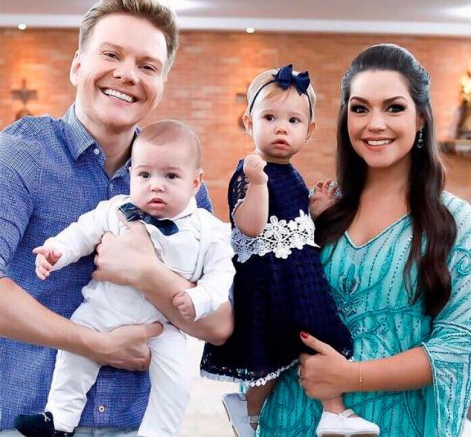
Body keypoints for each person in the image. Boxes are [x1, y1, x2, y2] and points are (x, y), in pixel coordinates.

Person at [0, 0, 232, 436]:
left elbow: (220, 324)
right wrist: (95, 344)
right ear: (77, 65)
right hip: (22, 422)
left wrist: (146, 272)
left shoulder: (180, 184)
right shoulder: (21, 154)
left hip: (132, 427)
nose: (127, 74)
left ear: (161, 84)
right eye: (111, 55)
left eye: (147, 66)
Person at [259, 44, 471, 437]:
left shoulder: (456, 222)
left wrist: (350, 376)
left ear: (421, 118)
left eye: (394, 108)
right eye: (360, 108)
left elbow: (459, 345)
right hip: (291, 417)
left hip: (394, 424)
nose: (375, 123)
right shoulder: (319, 206)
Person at [14, 120, 235, 437]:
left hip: (161, 327)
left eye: (171, 176)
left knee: (176, 381)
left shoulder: (209, 229)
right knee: (73, 357)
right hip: (101, 312)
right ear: (131, 176)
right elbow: (82, 232)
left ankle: (158, 433)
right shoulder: (117, 209)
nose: (156, 185)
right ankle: (59, 420)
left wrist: (199, 297)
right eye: (145, 175)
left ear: (195, 182)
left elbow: (222, 273)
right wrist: (56, 251)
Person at [200, 64, 380, 437]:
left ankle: (332, 410)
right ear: (249, 122)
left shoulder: (293, 174)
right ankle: (250, 411)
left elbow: (291, 223)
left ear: (309, 131)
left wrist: (315, 211)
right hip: (269, 281)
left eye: (293, 120)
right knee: (276, 350)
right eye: (270, 117)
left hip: (299, 275)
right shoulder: (250, 170)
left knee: (317, 335)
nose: (282, 128)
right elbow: (250, 225)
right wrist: (256, 183)